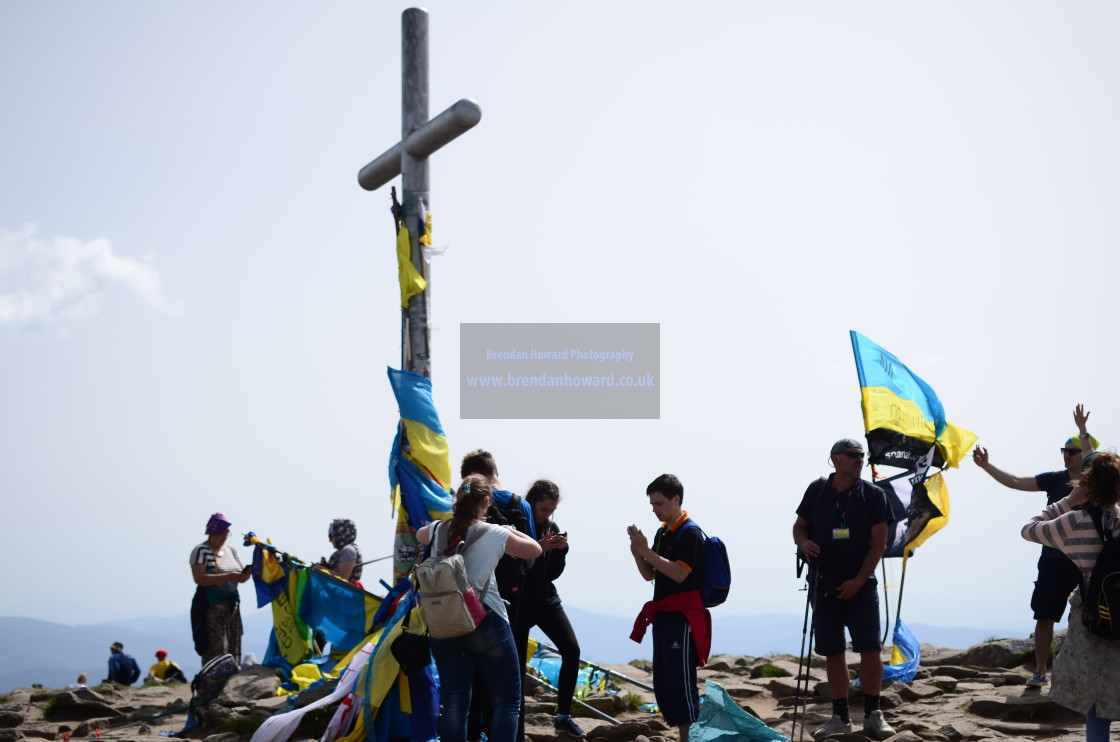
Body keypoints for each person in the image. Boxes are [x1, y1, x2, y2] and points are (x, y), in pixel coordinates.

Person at [972, 404, 1096, 687]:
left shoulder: (1099, 484)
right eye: (1063, 451)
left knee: (1092, 614)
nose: (1066, 455)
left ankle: (1086, 674)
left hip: (1087, 561)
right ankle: (1040, 672)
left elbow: (1093, 457)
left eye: (1072, 451)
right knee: (1045, 614)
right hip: (1053, 558)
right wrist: (986, 466)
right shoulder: (1056, 479)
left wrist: (1083, 431)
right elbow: (1016, 481)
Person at [416, 475, 542, 742]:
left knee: (454, 701)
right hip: (485, 622)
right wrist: (508, 528)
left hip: (444, 623)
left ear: (458, 500)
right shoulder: (495, 533)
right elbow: (534, 550)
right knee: (507, 700)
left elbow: (419, 534)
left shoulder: (439, 529)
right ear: (486, 501)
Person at [792, 439, 895, 740]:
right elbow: (799, 527)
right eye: (852, 455)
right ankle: (840, 717)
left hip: (861, 584)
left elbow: (880, 544)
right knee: (833, 651)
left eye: (861, 455)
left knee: (870, 650)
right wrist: (803, 543)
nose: (859, 459)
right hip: (823, 582)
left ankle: (874, 715)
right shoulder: (818, 490)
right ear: (835, 459)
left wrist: (859, 582)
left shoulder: (874, 495)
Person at [1021, 450, 1120, 742]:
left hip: (1094, 621)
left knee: (1096, 706)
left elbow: (1029, 530)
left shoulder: (1075, 521)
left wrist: (1068, 501)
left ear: (1086, 485)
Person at [627, 473, 711, 742]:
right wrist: (637, 551)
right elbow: (650, 574)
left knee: (681, 683)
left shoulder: (690, 533)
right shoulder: (663, 532)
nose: (655, 509)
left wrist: (646, 551)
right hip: (664, 615)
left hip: (683, 616)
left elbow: (678, 574)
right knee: (664, 683)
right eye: (652, 504)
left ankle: (690, 738)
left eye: (659, 503)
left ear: (677, 500)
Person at [459, 449, 536, 742]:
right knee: (507, 688)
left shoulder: (462, 504)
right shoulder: (519, 504)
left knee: (469, 683)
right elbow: (530, 560)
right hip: (507, 604)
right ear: (494, 470)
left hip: (466, 602)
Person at [513, 479, 585, 739]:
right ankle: (516, 730)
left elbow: (551, 574)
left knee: (571, 650)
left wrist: (561, 551)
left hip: (545, 599)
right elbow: (514, 567)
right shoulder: (516, 524)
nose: (547, 515)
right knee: (516, 667)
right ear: (531, 503)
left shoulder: (551, 527)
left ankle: (563, 716)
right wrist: (539, 547)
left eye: (551, 510)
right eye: (544, 509)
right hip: (519, 602)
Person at [190, 512, 251, 664]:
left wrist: (248, 572)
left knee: (233, 647)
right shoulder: (201, 551)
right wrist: (228, 577)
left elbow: (242, 576)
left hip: (232, 607)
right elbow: (200, 578)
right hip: (212, 608)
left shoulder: (231, 551)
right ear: (211, 533)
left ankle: (230, 682)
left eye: (226, 534)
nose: (223, 537)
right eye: (220, 534)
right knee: (216, 649)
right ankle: (211, 684)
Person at [317, 518, 363, 587]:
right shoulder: (345, 550)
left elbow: (343, 578)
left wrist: (320, 569)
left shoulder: (348, 550)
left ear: (340, 534)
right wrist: (326, 566)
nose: (330, 540)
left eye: (331, 536)